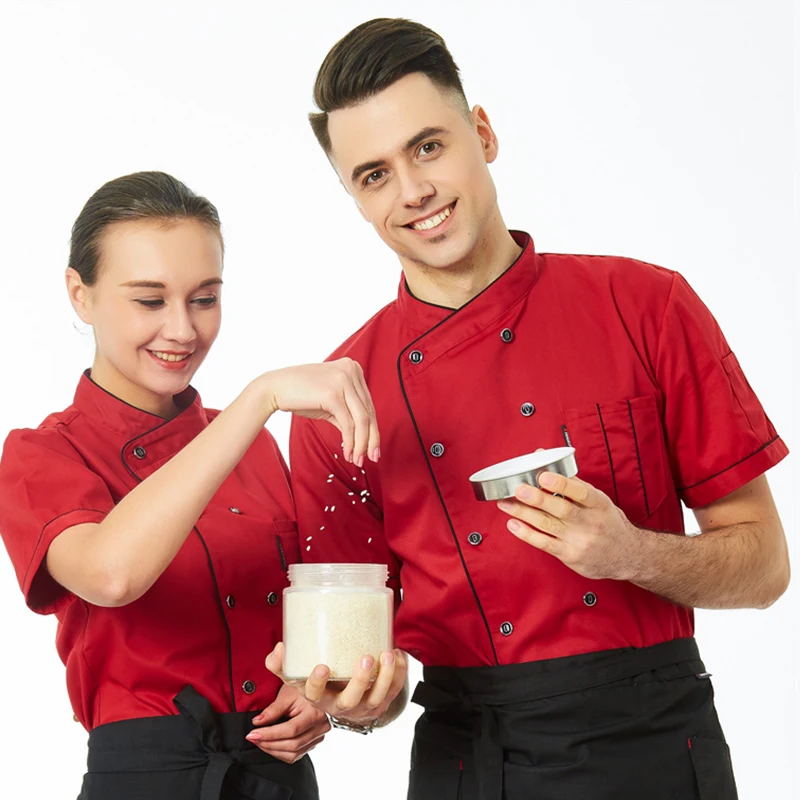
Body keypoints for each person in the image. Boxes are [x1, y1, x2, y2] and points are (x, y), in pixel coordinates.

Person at [275, 18, 790, 800]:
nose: (413, 192)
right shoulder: (337, 401)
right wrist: (360, 702)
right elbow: (362, 668)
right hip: (467, 760)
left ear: (482, 134)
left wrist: (632, 554)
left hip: (654, 745)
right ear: (355, 198)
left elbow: (764, 567)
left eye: (428, 147)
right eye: (374, 175)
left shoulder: (646, 307)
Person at [0, 170, 398, 799]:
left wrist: (340, 697)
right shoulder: (41, 454)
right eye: (150, 301)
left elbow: (342, 628)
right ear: (80, 294)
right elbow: (111, 575)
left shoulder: (256, 448)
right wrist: (260, 397)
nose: (183, 330)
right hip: (145, 781)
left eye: (205, 299)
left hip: (278, 776)